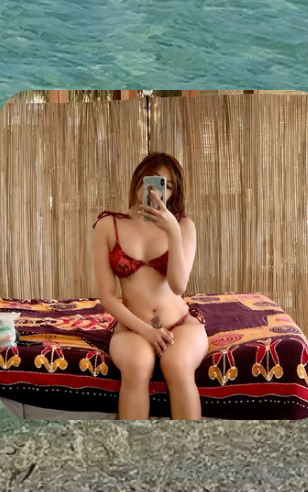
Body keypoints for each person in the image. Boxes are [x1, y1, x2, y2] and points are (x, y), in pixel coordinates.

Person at [90, 151, 206, 419]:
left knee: (177, 365)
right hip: (133, 328)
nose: (156, 191)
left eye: (167, 185)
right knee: (136, 365)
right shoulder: (108, 226)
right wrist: (147, 331)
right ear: (138, 181)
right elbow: (107, 297)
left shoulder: (183, 226)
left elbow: (178, 286)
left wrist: (172, 231)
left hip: (181, 324)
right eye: (151, 180)